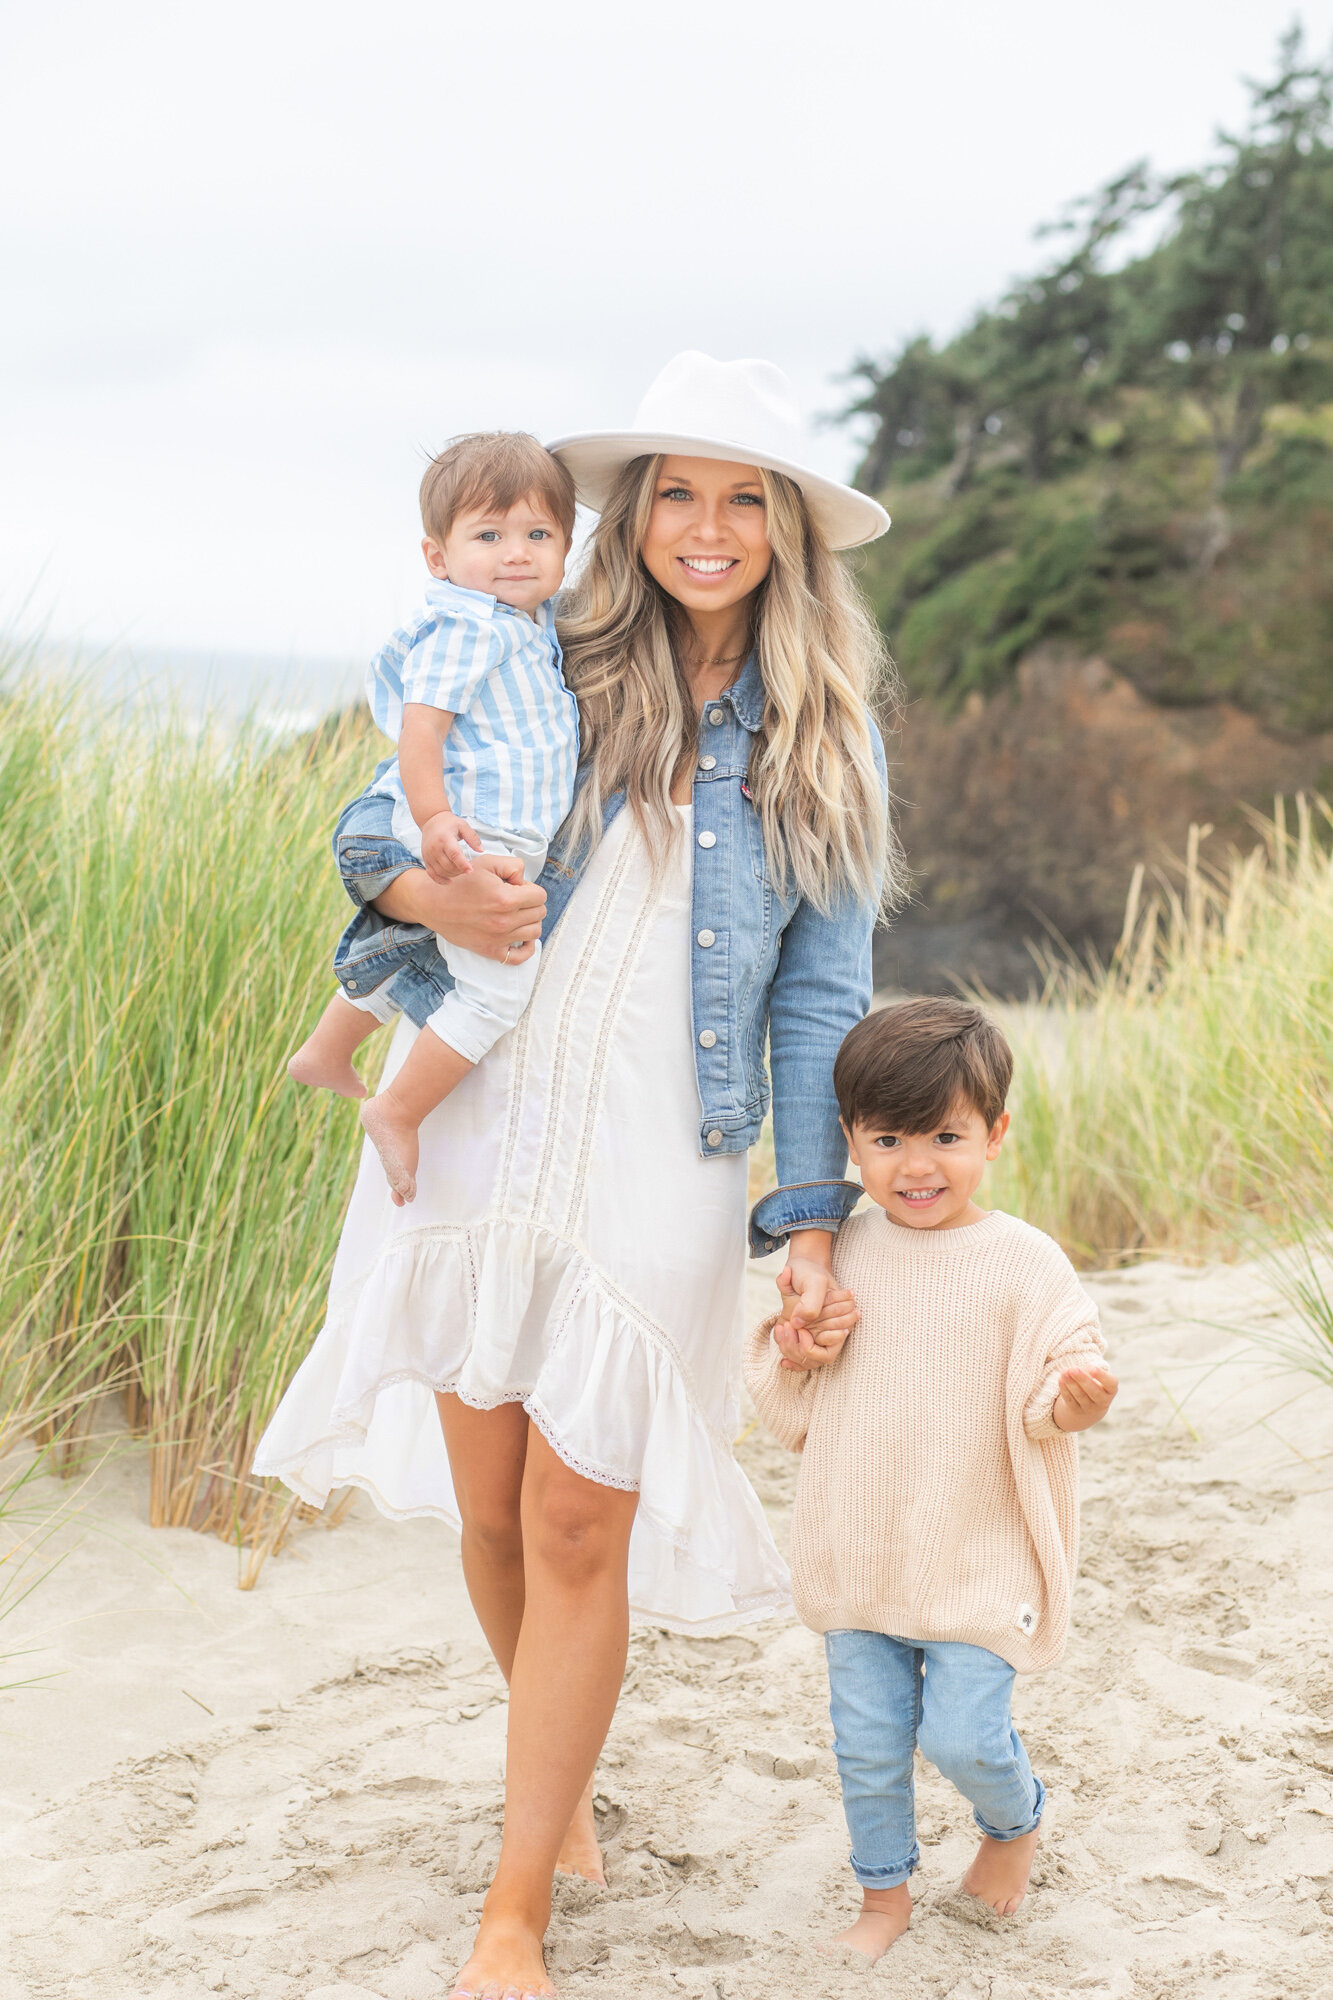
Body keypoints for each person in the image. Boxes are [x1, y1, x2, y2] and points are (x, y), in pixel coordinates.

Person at [254, 350, 900, 2000]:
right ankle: (562, 1785)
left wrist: (804, 1223)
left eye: (740, 498)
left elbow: (819, 998)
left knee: (574, 1516)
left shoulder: (824, 740)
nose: (703, 525)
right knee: (485, 1508)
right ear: (630, 514)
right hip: (483, 1107)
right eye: (673, 491)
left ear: (785, 534)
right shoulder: (544, 652)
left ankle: (512, 1907)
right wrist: (422, 906)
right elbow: (368, 831)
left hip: (660, 1155)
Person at [744, 997, 1119, 1965]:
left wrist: (1072, 1400)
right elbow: (786, 1404)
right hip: (860, 1549)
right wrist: (795, 1348)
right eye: (888, 1137)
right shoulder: (841, 1250)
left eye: (945, 1135)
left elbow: (1059, 1373)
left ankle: (1013, 1819)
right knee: (866, 1746)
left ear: (993, 1133)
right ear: (850, 1141)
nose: (916, 1164)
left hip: (975, 1553)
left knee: (961, 1736)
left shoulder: (1023, 1261)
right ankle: (882, 1895)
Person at [287, 432, 580, 1205]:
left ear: (564, 546)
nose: (515, 553)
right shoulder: (468, 625)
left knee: (421, 944)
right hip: (471, 824)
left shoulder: (524, 620)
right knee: (496, 992)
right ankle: (399, 1109)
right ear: (437, 556)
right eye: (489, 535)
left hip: (481, 823)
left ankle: (326, 1050)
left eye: (537, 535)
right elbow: (422, 730)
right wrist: (435, 817)